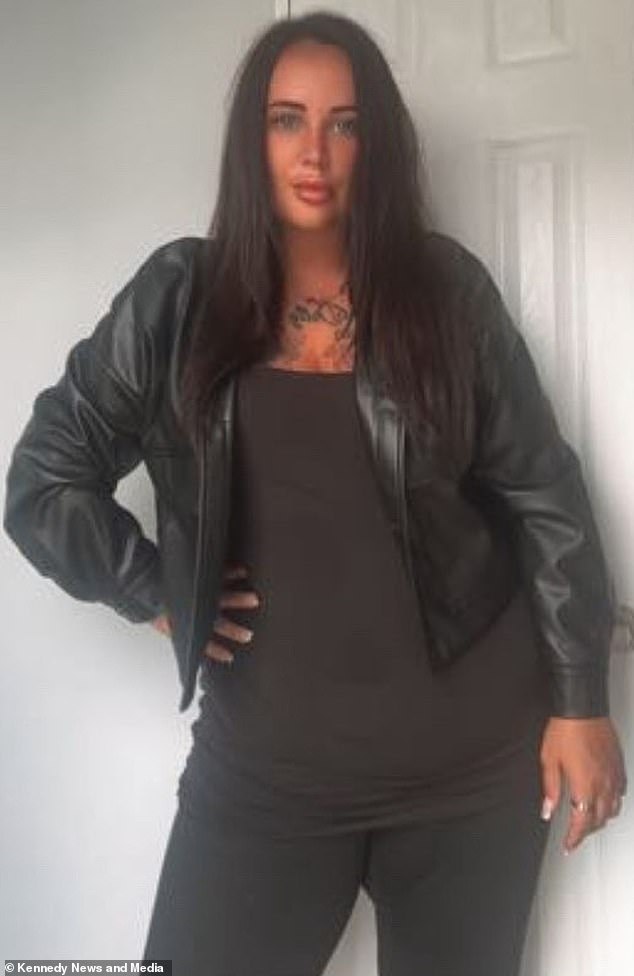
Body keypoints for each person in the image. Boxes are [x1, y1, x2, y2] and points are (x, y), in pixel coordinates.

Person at [3, 10, 627, 976]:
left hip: (470, 775)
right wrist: (149, 587)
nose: (315, 152)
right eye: (287, 119)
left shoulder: (446, 293)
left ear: (376, 144)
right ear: (250, 139)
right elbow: (42, 480)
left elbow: (543, 492)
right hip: (266, 778)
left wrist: (582, 702)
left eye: (345, 123)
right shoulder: (176, 299)